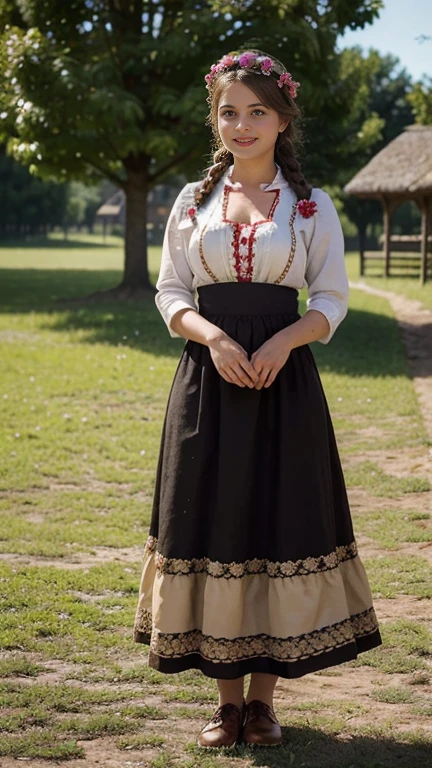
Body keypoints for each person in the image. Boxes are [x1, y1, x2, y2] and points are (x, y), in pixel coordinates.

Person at [134, 49, 381, 749]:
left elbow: (331, 296)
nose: (241, 125)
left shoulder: (311, 205)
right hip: (208, 381)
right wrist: (214, 339)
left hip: (284, 386)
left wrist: (282, 343)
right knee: (213, 523)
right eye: (228, 113)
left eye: (256, 112)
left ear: (282, 119)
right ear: (215, 120)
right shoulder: (190, 201)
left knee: (279, 521)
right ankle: (224, 702)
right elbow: (170, 291)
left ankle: (264, 703)